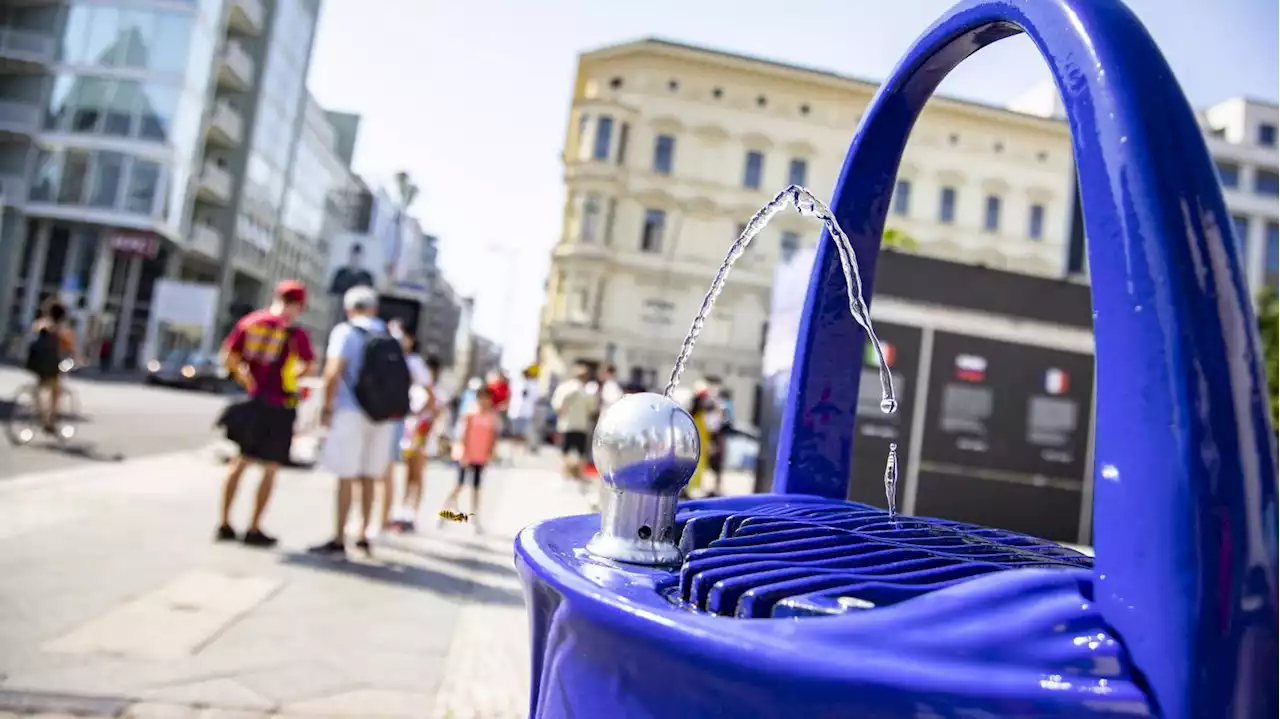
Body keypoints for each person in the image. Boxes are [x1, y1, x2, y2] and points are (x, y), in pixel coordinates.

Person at [216, 281, 315, 546]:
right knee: (270, 469)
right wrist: (291, 377)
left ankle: (224, 523)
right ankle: (254, 527)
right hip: (280, 406)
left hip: (252, 402)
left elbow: (228, 355)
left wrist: (246, 379)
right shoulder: (295, 333)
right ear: (298, 305)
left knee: (239, 462)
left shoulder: (250, 323)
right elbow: (308, 366)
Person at [309, 286, 406, 557]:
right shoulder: (390, 334)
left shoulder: (345, 331)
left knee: (346, 476)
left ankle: (339, 536)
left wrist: (326, 407)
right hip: (382, 416)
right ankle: (364, 534)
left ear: (349, 308)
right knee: (369, 476)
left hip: (350, 410)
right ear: (374, 308)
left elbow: (333, 370)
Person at [439, 387, 500, 533]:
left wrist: (490, 453)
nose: (484, 401)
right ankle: (444, 512)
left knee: (477, 488)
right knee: (459, 485)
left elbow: (492, 437)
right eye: (482, 398)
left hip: (481, 456)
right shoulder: (470, 413)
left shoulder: (492, 417)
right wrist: (463, 452)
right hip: (467, 455)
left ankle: (475, 518)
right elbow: (463, 434)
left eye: (487, 398)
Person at [26, 298, 80, 433]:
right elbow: (71, 349)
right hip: (51, 367)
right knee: (56, 391)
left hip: (36, 363)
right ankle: (49, 419)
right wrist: (78, 360)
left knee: (39, 388)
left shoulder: (40, 324)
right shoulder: (63, 331)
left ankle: (41, 412)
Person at [550, 364, 598, 488]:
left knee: (564, 451)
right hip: (581, 426)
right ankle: (577, 475)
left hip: (565, 425)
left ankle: (566, 473)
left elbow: (556, 406)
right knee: (580, 453)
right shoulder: (587, 391)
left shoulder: (563, 388)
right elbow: (592, 410)